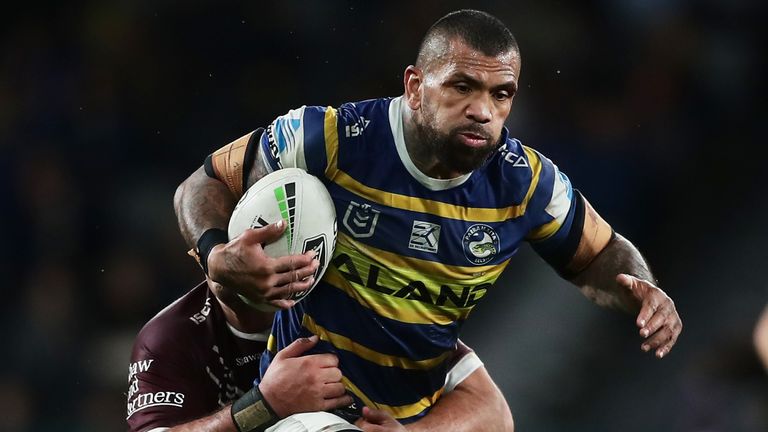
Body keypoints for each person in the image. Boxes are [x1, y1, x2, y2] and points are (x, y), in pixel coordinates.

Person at [174, 9, 682, 429]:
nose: (482, 111)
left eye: (500, 94)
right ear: (415, 87)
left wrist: (643, 287)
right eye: (462, 87)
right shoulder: (329, 139)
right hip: (306, 408)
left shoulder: (527, 184)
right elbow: (201, 185)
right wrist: (218, 253)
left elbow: (603, 253)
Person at [126, 276, 512, 432]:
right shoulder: (171, 336)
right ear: (204, 254)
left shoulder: (357, 300)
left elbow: (494, 412)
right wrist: (263, 404)